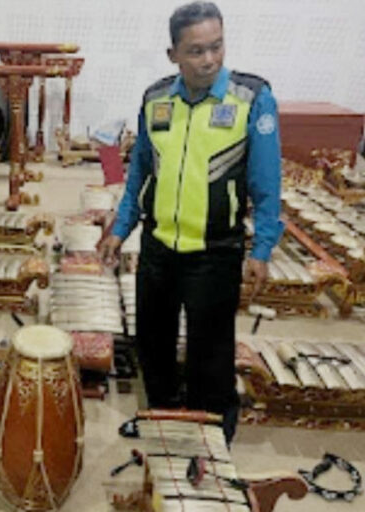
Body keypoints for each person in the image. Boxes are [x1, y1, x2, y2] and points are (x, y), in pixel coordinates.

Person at [100, 2, 283, 443]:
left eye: (216, 47)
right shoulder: (155, 99)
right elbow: (140, 173)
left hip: (216, 252)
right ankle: (161, 419)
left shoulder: (250, 99)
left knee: (210, 354)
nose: (209, 60)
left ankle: (212, 434)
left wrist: (260, 250)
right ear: (173, 55)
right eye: (196, 51)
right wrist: (121, 228)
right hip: (160, 250)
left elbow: (267, 186)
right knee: (153, 346)